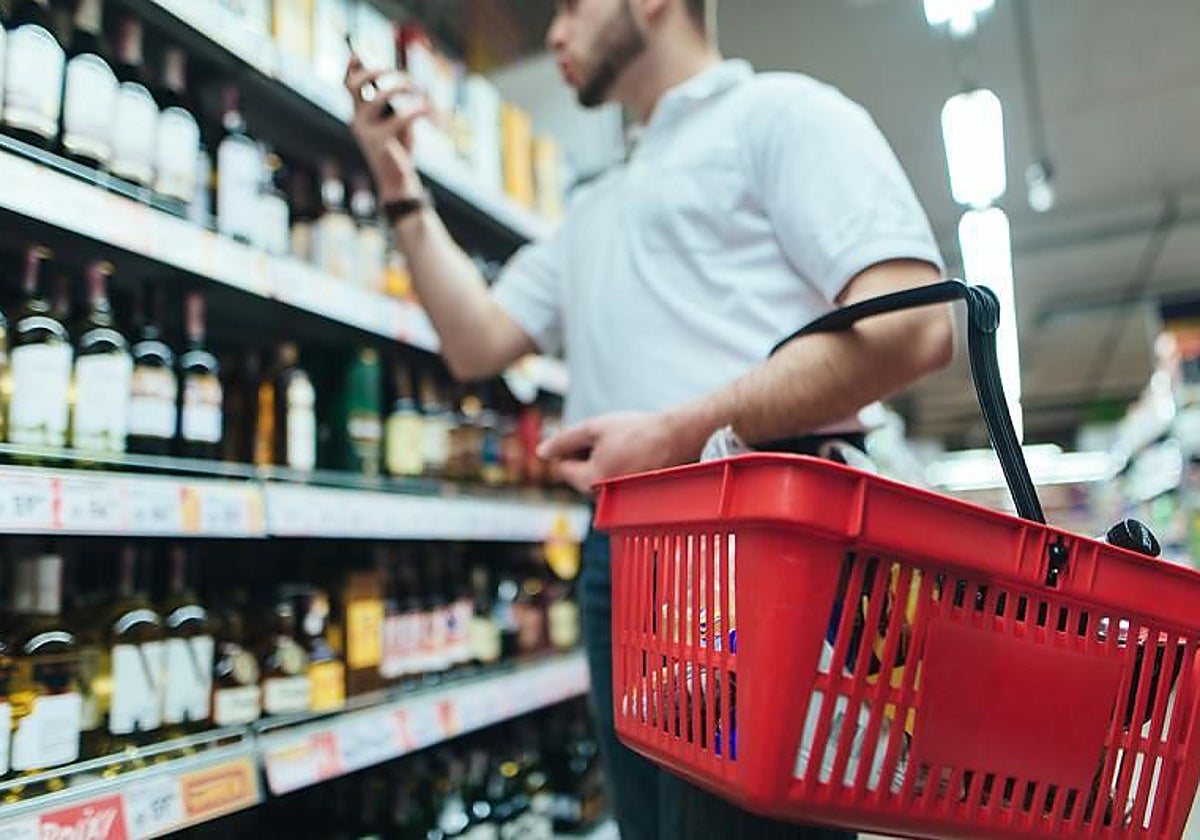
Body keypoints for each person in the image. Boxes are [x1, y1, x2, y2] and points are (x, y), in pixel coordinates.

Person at [345, 0, 951, 836]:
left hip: (758, 546)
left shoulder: (783, 115)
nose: (554, 33)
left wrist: (677, 433)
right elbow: (474, 341)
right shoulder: (597, 207)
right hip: (622, 558)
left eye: (570, 6)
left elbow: (912, 325)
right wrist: (397, 183)